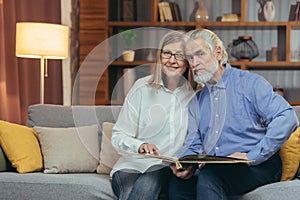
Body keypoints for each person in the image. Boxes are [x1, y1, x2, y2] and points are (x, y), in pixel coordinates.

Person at [168, 28, 299, 200]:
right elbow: (195, 141)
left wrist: (252, 155)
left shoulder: (250, 84)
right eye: (190, 58)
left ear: (218, 52)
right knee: (177, 187)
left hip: (258, 165)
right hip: (219, 167)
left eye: (200, 54)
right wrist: (186, 163)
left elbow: (287, 117)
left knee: (210, 177)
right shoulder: (196, 100)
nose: (194, 63)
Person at [110, 30, 197, 200]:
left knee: (149, 182)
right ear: (159, 57)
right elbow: (118, 135)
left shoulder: (195, 93)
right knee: (129, 192)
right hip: (131, 165)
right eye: (167, 53)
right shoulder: (141, 88)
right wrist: (140, 145)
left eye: (179, 55)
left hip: (165, 168)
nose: (172, 60)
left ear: (188, 61)